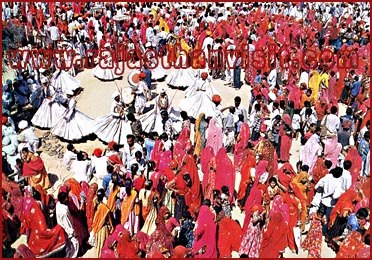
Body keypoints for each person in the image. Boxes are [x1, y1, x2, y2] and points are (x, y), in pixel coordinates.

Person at [56, 191, 79, 258]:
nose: (67, 199)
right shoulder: (64, 211)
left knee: (68, 245)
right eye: (66, 198)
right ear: (63, 200)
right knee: (75, 244)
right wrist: (72, 232)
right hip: (67, 230)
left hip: (61, 227)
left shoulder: (58, 204)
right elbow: (67, 223)